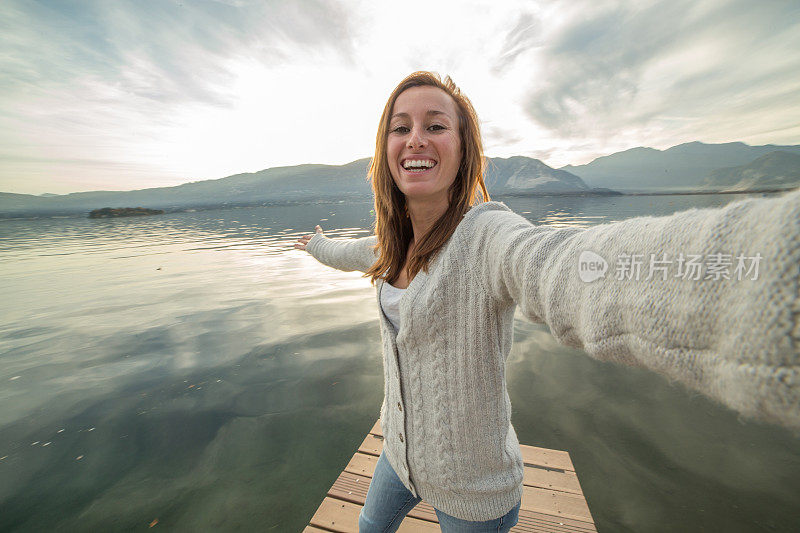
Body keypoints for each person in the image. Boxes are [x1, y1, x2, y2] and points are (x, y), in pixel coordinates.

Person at [295, 71, 800, 532]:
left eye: (436, 125)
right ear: (386, 150)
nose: (416, 139)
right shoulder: (391, 244)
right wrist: (315, 245)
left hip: (474, 491)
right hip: (400, 457)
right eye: (400, 127)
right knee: (367, 528)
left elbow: (560, 266)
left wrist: (769, 271)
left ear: (464, 149)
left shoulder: (487, 235)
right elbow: (348, 252)